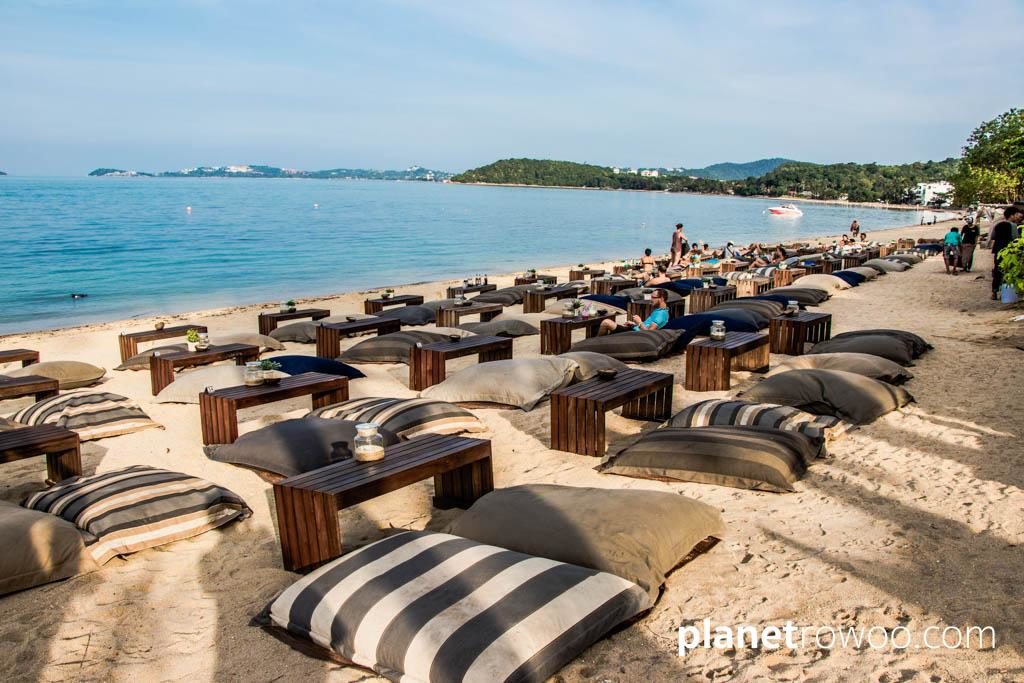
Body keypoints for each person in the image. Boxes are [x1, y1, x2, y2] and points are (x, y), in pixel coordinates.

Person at [988, 205, 1024, 299]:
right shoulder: (1012, 225)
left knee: (997, 271)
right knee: (1008, 272)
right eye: (1016, 215)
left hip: (997, 250)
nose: (1017, 217)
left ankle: (994, 292)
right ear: (1011, 215)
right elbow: (1015, 238)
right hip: (1008, 252)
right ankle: (1005, 293)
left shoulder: (998, 224)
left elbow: (992, 237)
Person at [599, 288, 670, 335]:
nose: (651, 300)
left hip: (634, 334)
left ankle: (595, 343)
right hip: (634, 329)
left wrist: (639, 322)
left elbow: (649, 333)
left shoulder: (660, 315)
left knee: (606, 322)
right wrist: (634, 324)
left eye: (653, 297)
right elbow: (647, 325)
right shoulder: (661, 311)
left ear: (661, 299)